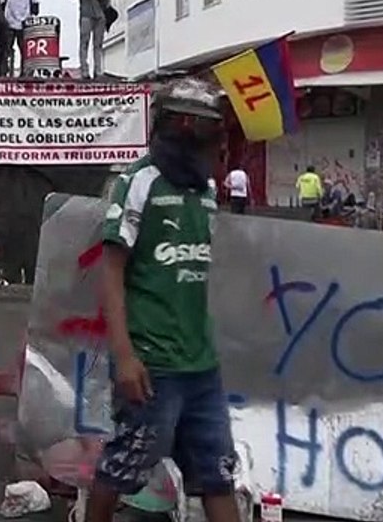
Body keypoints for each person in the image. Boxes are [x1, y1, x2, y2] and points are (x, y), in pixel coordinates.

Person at [92, 77, 241, 522]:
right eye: (206, 130)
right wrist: (124, 357)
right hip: (152, 364)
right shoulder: (140, 182)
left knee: (217, 474)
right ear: (181, 128)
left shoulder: (206, 191)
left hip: (201, 365)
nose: (215, 144)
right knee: (123, 467)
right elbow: (111, 270)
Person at [70, 0, 115, 79]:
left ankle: (98, 70)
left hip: (100, 13)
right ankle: (84, 70)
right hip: (86, 13)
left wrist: (108, 8)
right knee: (84, 41)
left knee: (98, 44)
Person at [3, 0, 40, 75]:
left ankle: (24, 72)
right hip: (9, 24)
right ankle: (5, 71)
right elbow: (1, 4)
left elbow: (35, 7)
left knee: (24, 51)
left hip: (25, 25)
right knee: (6, 50)